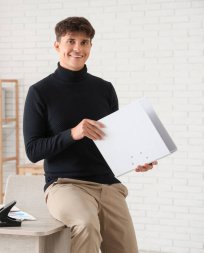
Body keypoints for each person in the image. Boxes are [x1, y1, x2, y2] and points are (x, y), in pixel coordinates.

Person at [23, 17, 157, 253]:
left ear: (90, 47)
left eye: (84, 42)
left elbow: (115, 141)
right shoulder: (40, 92)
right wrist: (72, 133)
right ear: (57, 46)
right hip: (65, 185)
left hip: (107, 184)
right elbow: (33, 151)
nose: (78, 48)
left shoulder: (104, 89)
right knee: (85, 224)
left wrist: (137, 159)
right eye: (71, 41)